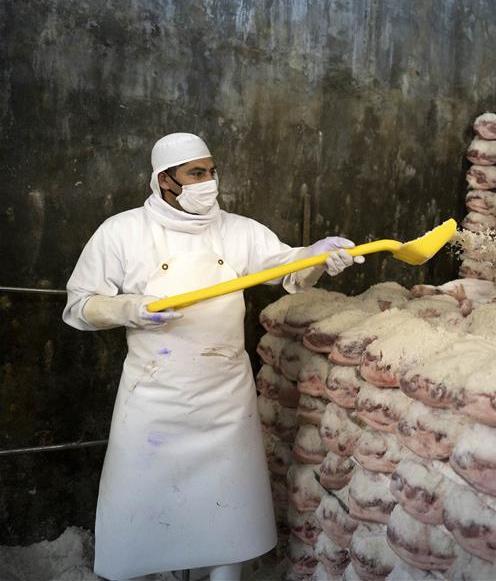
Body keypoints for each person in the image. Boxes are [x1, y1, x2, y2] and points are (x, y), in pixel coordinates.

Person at [62, 132, 362, 580]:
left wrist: (317, 255)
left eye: (211, 170)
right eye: (196, 174)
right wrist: (130, 308)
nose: (210, 181)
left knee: (228, 505)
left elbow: (287, 265)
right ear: (165, 180)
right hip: (154, 394)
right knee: (141, 500)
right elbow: (79, 304)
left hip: (224, 395)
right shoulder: (121, 231)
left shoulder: (237, 230)